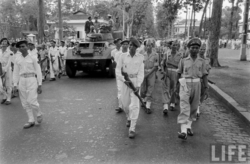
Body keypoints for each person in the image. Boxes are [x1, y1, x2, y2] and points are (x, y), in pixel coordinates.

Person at [176, 38, 208, 140]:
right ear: (189, 49)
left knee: (194, 107)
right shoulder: (183, 60)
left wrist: (206, 88)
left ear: (199, 49)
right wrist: (177, 87)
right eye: (192, 48)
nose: (194, 50)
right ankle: (183, 132)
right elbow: (178, 73)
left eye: (197, 48)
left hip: (197, 85)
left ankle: (188, 126)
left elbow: (204, 75)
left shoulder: (202, 62)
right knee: (184, 107)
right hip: (185, 84)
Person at [116, 37, 144, 139]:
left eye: (132, 45)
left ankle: (132, 128)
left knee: (135, 105)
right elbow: (118, 70)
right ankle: (128, 116)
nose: (130, 46)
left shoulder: (140, 57)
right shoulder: (122, 56)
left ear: (136, 47)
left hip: (135, 82)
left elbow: (141, 73)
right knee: (125, 104)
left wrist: (138, 85)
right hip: (125, 82)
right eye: (130, 45)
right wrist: (124, 80)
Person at [13, 40, 43, 129]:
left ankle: (38, 112)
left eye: (23, 46)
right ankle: (31, 120)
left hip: (31, 79)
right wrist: (15, 84)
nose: (22, 48)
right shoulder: (17, 58)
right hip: (22, 80)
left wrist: (40, 84)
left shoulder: (33, 57)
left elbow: (38, 71)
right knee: (25, 102)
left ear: (27, 46)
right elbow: (15, 72)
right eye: (20, 47)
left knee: (32, 101)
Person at [140, 40, 158, 114]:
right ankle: (144, 99)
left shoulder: (155, 55)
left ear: (152, 46)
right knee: (143, 89)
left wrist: (148, 74)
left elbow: (155, 67)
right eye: (147, 45)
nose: (148, 47)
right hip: (143, 72)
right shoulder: (142, 55)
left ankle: (148, 106)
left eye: (149, 45)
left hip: (151, 73)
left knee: (150, 88)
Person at [166, 41, 182, 111]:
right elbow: (164, 63)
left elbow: (180, 66)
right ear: (171, 46)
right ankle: (167, 101)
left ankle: (172, 103)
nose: (174, 46)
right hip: (167, 71)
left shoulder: (180, 55)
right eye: (173, 45)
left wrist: (171, 63)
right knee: (167, 87)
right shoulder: (167, 53)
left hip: (175, 72)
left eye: (176, 45)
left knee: (174, 88)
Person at [197, 43, 211, 118]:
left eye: (204, 49)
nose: (202, 51)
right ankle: (197, 108)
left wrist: (207, 80)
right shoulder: (196, 58)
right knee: (197, 94)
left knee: (203, 93)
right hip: (197, 79)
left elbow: (208, 70)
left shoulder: (207, 59)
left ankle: (198, 105)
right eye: (201, 49)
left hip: (204, 79)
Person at [111, 38, 122, 113]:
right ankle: (120, 106)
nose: (120, 44)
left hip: (125, 71)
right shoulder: (113, 52)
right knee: (119, 88)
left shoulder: (124, 50)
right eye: (119, 42)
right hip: (118, 71)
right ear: (116, 44)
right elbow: (113, 62)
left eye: (121, 42)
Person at [0, 38, 13, 105]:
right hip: (0, 68)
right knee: (1, 85)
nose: (3, 42)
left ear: (7, 44)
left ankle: (8, 98)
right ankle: (4, 96)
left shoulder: (10, 52)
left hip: (7, 69)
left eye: (5, 41)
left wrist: (5, 70)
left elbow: (9, 63)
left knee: (8, 84)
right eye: (2, 41)